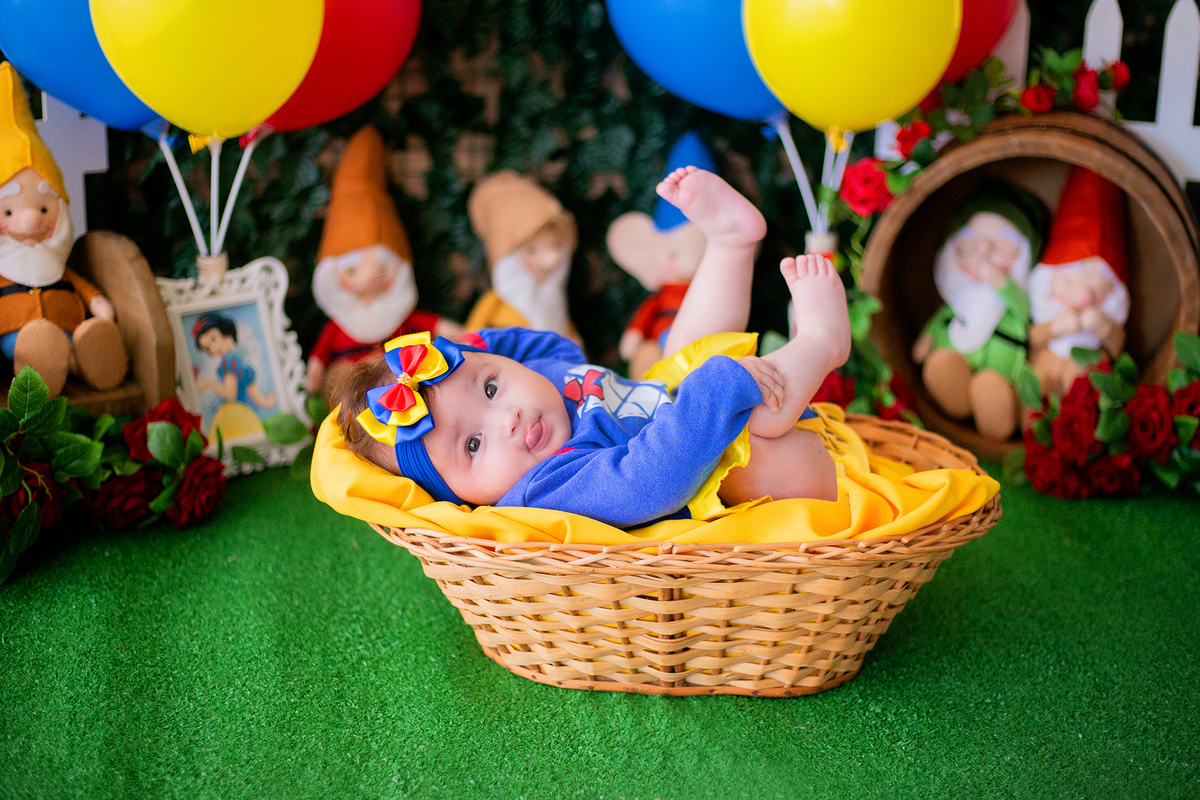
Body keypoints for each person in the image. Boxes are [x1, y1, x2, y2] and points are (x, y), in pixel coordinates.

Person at [330, 167, 851, 528]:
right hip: (735, 471)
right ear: (458, 498)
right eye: (472, 445)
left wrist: (475, 346)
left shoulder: (541, 382)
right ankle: (822, 344)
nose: (506, 418)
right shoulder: (544, 486)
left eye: (490, 386)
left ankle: (732, 244)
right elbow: (650, 482)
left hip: (677, 400)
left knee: (683, 347)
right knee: (751, 439)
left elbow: (540, 344)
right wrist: (719, 388)